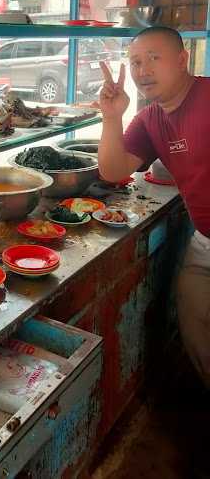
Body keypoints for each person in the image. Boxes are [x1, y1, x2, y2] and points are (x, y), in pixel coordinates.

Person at [98, 26, 210, 387]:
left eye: (153, 59)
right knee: (194, 315)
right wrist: (111, 116)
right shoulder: (150, 119)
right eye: (135, 62)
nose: (142, 70)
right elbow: (114, 170)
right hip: (205, 241)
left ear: (182, 60)